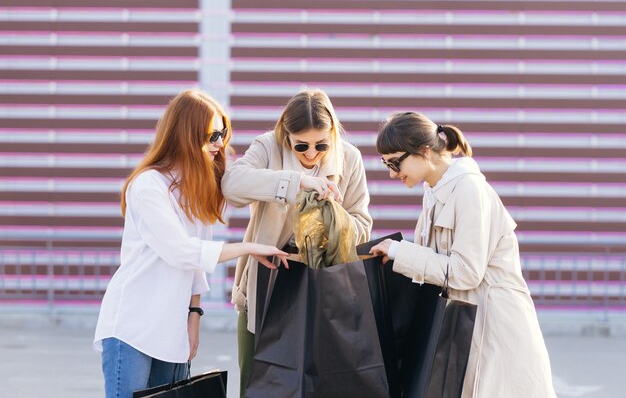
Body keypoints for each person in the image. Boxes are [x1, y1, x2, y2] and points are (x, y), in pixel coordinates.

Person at [93, 90, 289, 398]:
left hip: (172, 327)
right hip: (132, 326)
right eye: (212, 135)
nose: (219, 144)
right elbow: (181, 251)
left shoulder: (197, 190)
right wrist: (248, 247)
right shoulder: (148, 186)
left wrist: (194, 313)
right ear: (186, 134)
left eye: (222, 134)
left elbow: (196, 263)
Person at [369, 112, 556, 398]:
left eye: (395, 162)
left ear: (424, 151)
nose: (392, 172)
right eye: (386, 163)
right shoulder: (433, 191)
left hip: (493, 329)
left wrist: (400, 251)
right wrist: (396, 256)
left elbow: (467, 271)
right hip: (464, 323)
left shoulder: (469, 189)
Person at [221, 89, 373, 396]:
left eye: (321, 145)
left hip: (323, 286)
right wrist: (297, 182)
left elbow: (362, 225)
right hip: (268, 280)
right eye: (301, 145)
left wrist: (330, 219)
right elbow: (232, 187)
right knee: (257, 382)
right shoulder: (268, 147)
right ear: (285, 134)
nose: (312, 153)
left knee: (320, 383)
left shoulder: (349, 158)